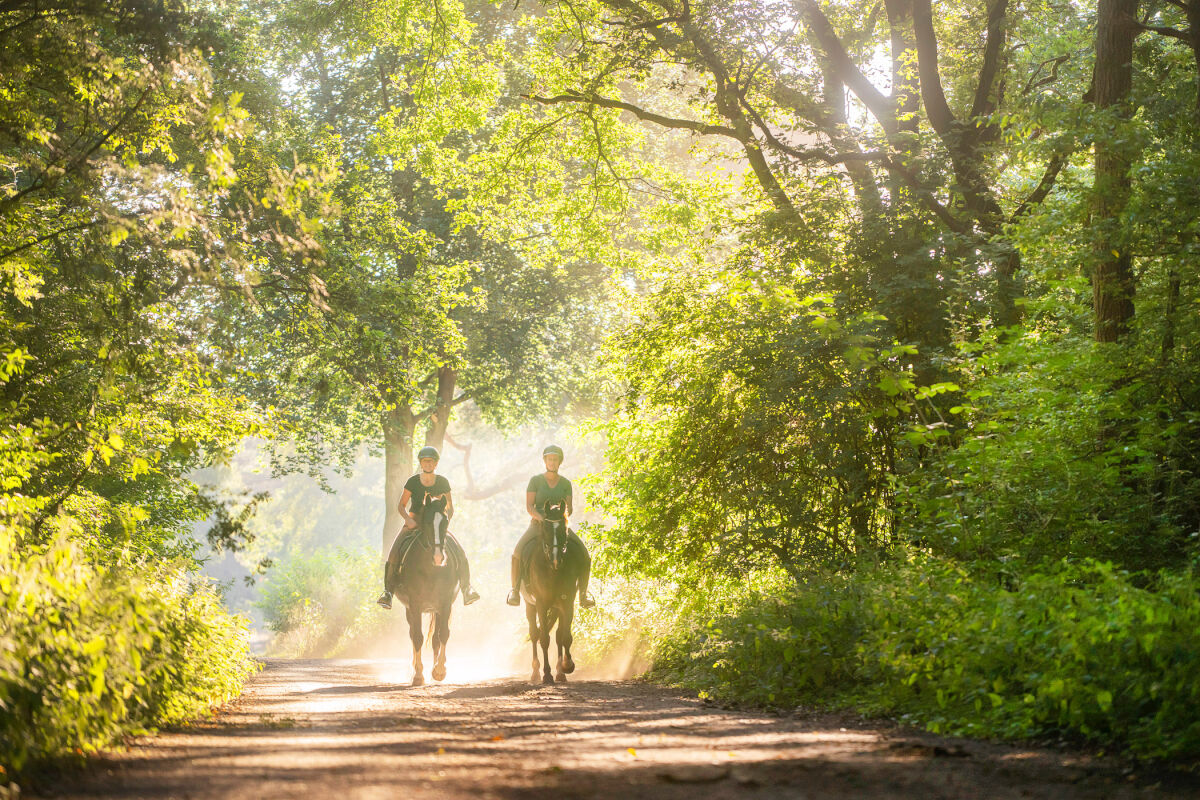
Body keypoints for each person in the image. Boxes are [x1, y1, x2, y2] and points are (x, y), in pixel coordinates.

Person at [377, 445, 480, 609]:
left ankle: (467, 588)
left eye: (431, 462)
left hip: (435, 522)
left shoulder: (442, 482)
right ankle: (388, 592)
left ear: (436, 463)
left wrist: (444, 523)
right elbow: (401, 506)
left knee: (459, 551)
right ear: (421, 463)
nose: (428, 464)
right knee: (394, 551)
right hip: (415, 521)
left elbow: (450, 507)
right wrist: (408, 520)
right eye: (425, 461)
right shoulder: (412, 482)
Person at [506, 444, 595, 608]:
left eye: (555, 459)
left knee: (584, 553)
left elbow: (570, 507)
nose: (552, 462)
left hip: (560, 525)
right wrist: (542, 518)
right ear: (545, 461)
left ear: (559, 462)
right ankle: (515, 590)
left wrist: (560, 519)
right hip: (538, 524)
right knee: (518, 551)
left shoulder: (566, 483)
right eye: (549, 459)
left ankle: (583, 593)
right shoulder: (535, 481)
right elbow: (529, 506)